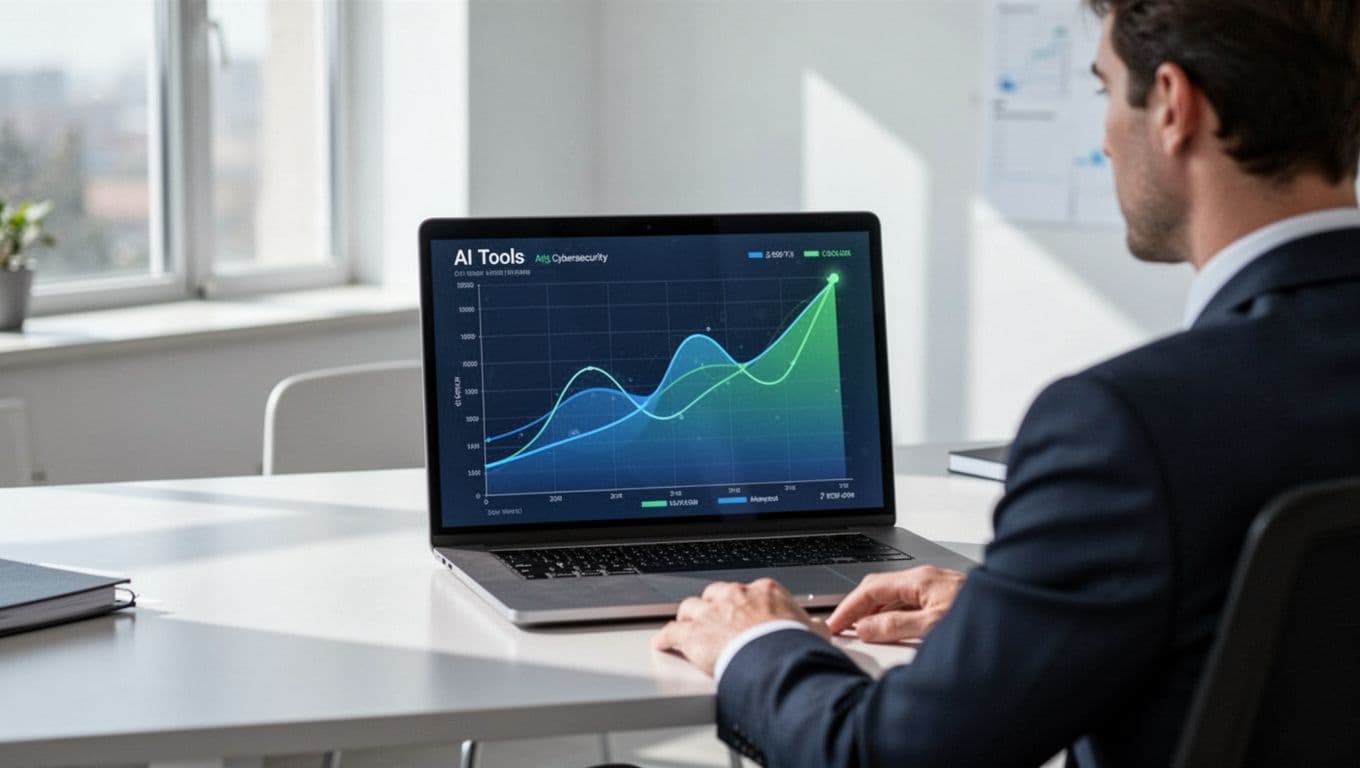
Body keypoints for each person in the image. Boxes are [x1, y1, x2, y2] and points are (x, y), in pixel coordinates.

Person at [651, 1, 1360, 765]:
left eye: (1104, 91)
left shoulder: (1127, 425)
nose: (1103, 138)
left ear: (1173, 107)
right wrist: (1017, 615)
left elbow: (884, 755)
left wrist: (756, 640)